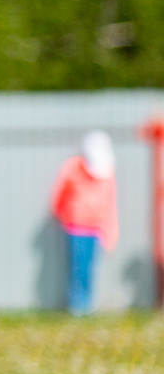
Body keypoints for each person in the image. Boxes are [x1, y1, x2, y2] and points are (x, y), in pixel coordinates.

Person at [52, 131, 118, 316]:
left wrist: (111, 234)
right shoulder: (72, 167)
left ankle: (87, 306)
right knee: (77, 268)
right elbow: (59, 193)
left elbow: (110, 204)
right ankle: (77, 308)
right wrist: (60, 214)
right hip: (76, 226)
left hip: (96, 227)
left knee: (88, 268)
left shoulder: (107, 171)